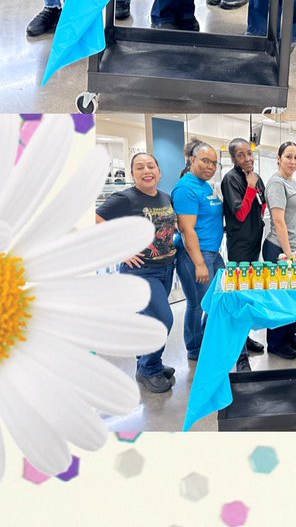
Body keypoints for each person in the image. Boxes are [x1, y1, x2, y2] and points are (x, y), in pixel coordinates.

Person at [96, 152, 178, 393]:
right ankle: (148, 370)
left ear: (159, 172)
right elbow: (95, 219)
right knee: (163, 319)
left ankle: (150, 360)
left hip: (166, 267)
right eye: (140, 167)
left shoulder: (165, 197)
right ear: (133, 174)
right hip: (142, 271)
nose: (146, 171)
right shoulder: (124, 198)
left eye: (151, 166)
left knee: (150, 320)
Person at [173, 140, 224, 361]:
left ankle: (204, 338)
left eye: (214, 163)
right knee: (197, 304)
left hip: (212, 252)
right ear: (192, 160)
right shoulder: (186, 188)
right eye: (205, 161)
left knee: (215, 299)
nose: (210, 167)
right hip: (195, 255)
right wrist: (200, 263)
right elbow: (187, 229)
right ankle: (194, 347)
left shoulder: (204, 186)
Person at [221, 137, 267, 371]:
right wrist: (249, 187)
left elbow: (262, 204)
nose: (247, 158)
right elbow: (239, 213)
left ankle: (244, 338)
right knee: (239, 296)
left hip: (253, 244)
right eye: (241, 155)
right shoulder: (231, 179)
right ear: (233, 159)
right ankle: (239, 356)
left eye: (249, 153)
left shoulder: (256, 178)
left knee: (249, 293)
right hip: (239, 246)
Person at [263, 141, 296, 359]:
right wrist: (289, 253)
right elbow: (279, 221)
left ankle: (290, 335)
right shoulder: (276, 183)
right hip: (279, 249)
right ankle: (276, 342)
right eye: (288, 157)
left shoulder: (292, 181)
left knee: (292, 296)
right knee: (280, 297)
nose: (292, 161)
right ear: (279, 158)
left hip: (293, 249)